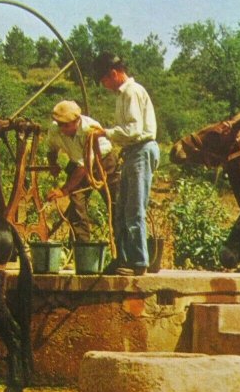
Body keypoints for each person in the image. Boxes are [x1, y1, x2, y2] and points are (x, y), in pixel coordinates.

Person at [93, 52, 159, 276]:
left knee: (134, 209)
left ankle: (139, 262)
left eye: (104, 81)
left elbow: (133, 130)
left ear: (113, 74)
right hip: (132, 152)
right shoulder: (122, 95)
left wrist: (106, 133)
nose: (104, 86)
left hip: (141, 150)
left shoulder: (131, 92)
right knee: (121, 210)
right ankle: (124, 259)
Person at [45, 100, 120, 243]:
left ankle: (121, 248)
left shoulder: (90, 129)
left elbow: (84, 165)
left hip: (102, 162)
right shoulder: (55, 130)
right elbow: (51, 148)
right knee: (77, 205)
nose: (62, 129)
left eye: (66, 125)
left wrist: (64, 190)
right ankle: (82, 248)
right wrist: (52, 163)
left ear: (77, 120)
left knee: (115, 204)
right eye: (60, 124)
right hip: (78, 164)